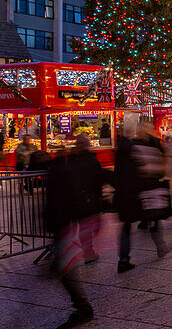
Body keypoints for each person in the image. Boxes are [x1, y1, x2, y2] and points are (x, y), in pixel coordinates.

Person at [45, 136, 107, 328]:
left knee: (67, 267)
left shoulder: (62, 169)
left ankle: (83, 308)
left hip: (66, 220)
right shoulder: (70, 166)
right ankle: (82, 306)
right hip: (72, 216)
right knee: (67, 264)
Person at [114, 123, 172, 273]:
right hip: (146, 193)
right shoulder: (150, 149)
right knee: (153, 219)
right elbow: (158, 171)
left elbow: (119, 172)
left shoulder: (128, 148)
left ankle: (123, 259)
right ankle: (161, 246)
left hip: (128, 194)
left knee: (127, 225)